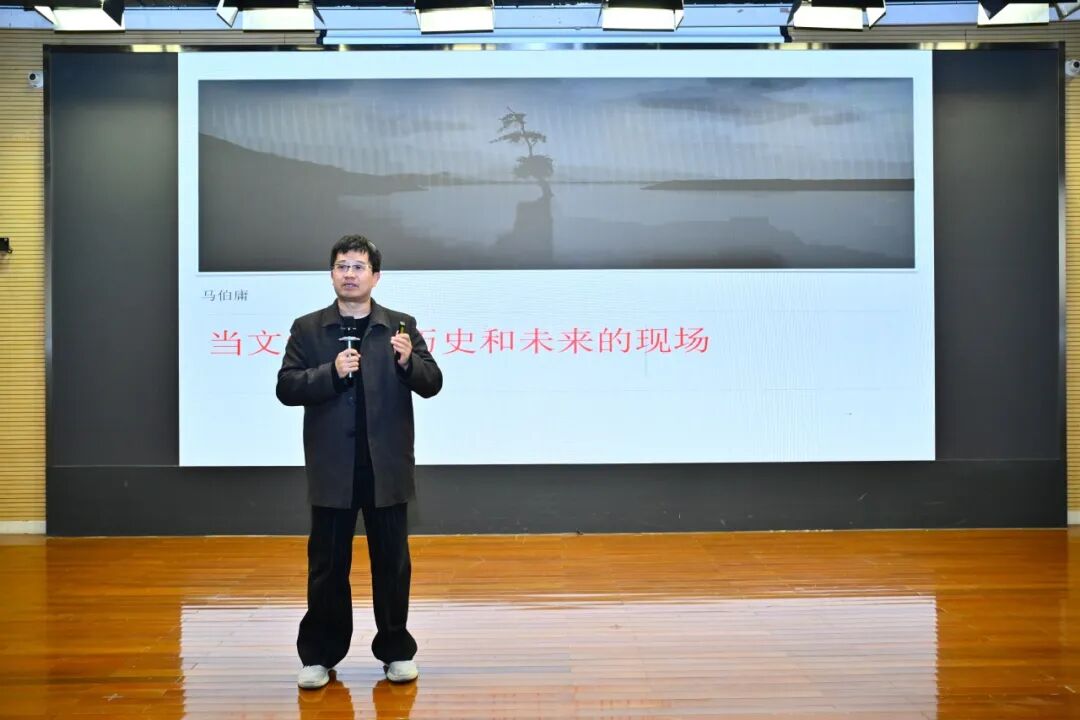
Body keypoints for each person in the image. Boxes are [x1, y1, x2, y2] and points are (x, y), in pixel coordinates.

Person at [276, 234, 443, 690]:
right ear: (331, 274)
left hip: (385, 466)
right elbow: (287, 386)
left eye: (358, 266)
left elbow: (432, 382)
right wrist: (330, 373)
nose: (349, 274)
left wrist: (409, 363)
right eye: (342, 266)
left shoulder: (400, 327)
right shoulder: (308, 329)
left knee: (392, 563)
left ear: (376, 276)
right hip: (333, 467)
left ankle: (396, 650)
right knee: (327, 566)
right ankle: (319, 655)